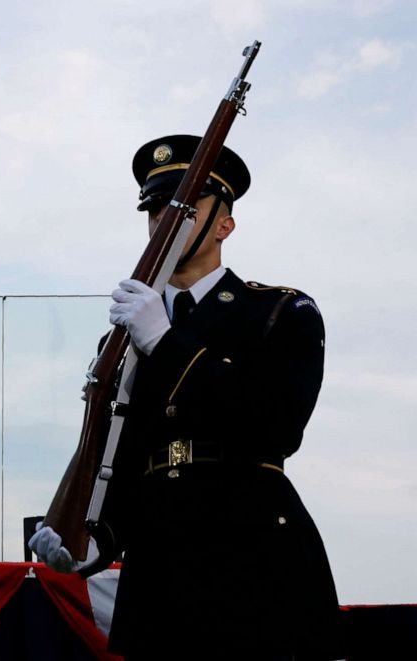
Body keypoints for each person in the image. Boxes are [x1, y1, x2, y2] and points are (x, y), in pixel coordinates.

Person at [32, 135, 342, 659]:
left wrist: (167, 342)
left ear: (226, 223)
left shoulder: (280, 312)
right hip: (159, 572)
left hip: (253, 557)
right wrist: (92, 544)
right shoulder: (123, 341)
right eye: (155, 207)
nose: (165, 218)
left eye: (185, 205)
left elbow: (276, 428)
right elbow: (126, 462)